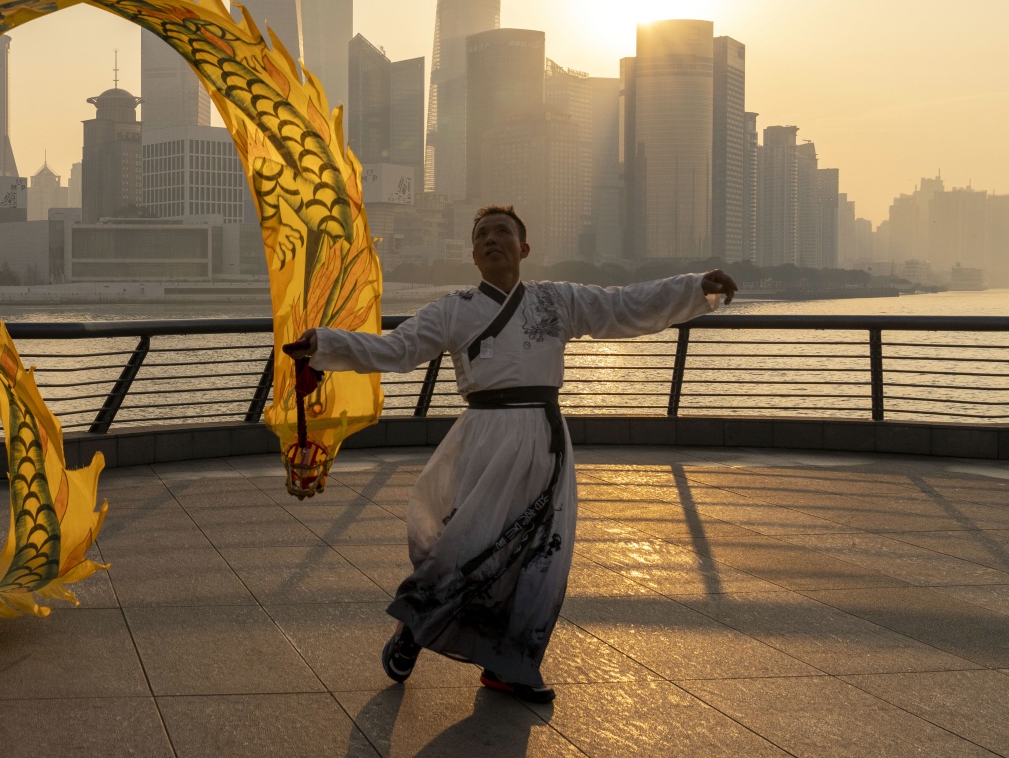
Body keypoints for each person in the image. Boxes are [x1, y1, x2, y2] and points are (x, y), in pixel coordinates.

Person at [284, 205, 735, 702]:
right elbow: (397, 349)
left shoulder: (557, 300)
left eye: (504, 232)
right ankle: (415, 627)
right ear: (473, 254)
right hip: (484, 439)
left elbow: (624, 305)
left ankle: (511, 666)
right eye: (482, 235)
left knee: (542, 557)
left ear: (524, 248)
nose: (492, 239)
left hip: (545, 440)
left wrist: (695, 289)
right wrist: (325, 343)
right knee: (466, 547)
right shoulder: (452, 310)